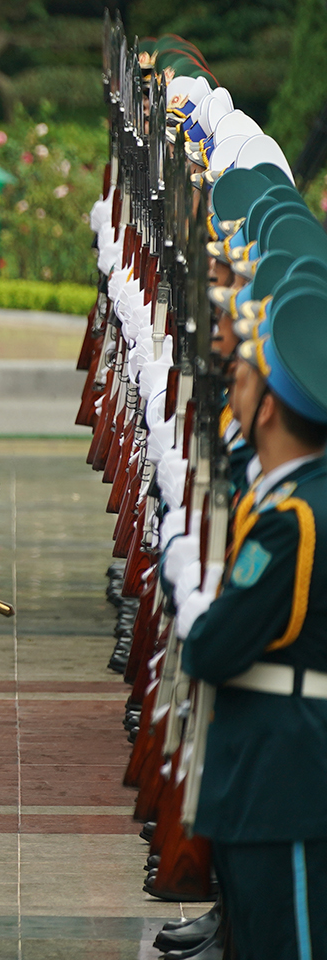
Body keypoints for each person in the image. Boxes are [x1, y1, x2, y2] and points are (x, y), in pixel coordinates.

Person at [174, 285, 327, 960]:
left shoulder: (292, 522)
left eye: (239, 377)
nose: (228, 386)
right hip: (272, 774)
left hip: (284, 779)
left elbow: (212, 647)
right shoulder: (293, 500)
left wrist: (192, 602)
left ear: (267, 407)